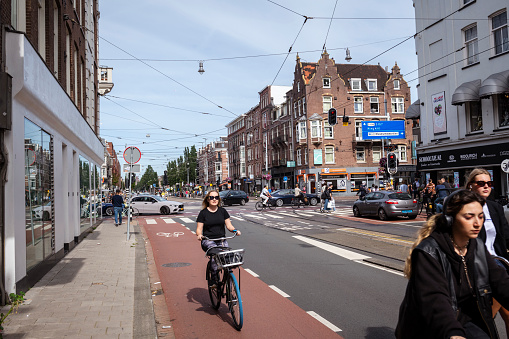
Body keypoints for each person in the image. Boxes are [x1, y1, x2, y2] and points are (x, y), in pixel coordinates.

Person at [396, 190, 509, 339]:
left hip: (468, 321)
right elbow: (435, 299)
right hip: (432, 326)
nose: (477, 223)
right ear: (450, 220)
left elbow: (500, 282)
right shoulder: (428, 252)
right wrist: (453, 333)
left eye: (481, 217)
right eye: (469, 217)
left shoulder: (477, 247)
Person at [467, 168, 509, 337]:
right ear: (471, 186)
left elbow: (505, 236)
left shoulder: (495, 208)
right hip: (480, 267)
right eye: (481, 183)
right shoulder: (465, 208)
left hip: (499, 263)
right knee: (486, 316)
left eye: (489, 183)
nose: (486, 186)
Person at [196, 190, 241, 286]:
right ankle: (214, 278)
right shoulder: (203, 213)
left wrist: (235, 231)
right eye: (212, 197)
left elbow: (229, 226)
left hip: (221, 240)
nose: (214, 199)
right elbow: (199, 229)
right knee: (215, 256)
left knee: (228, 260)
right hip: (208, 241)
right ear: (208, 199)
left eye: (216, 197)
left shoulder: (222, 211)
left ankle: (230, 290)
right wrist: (199, 235)